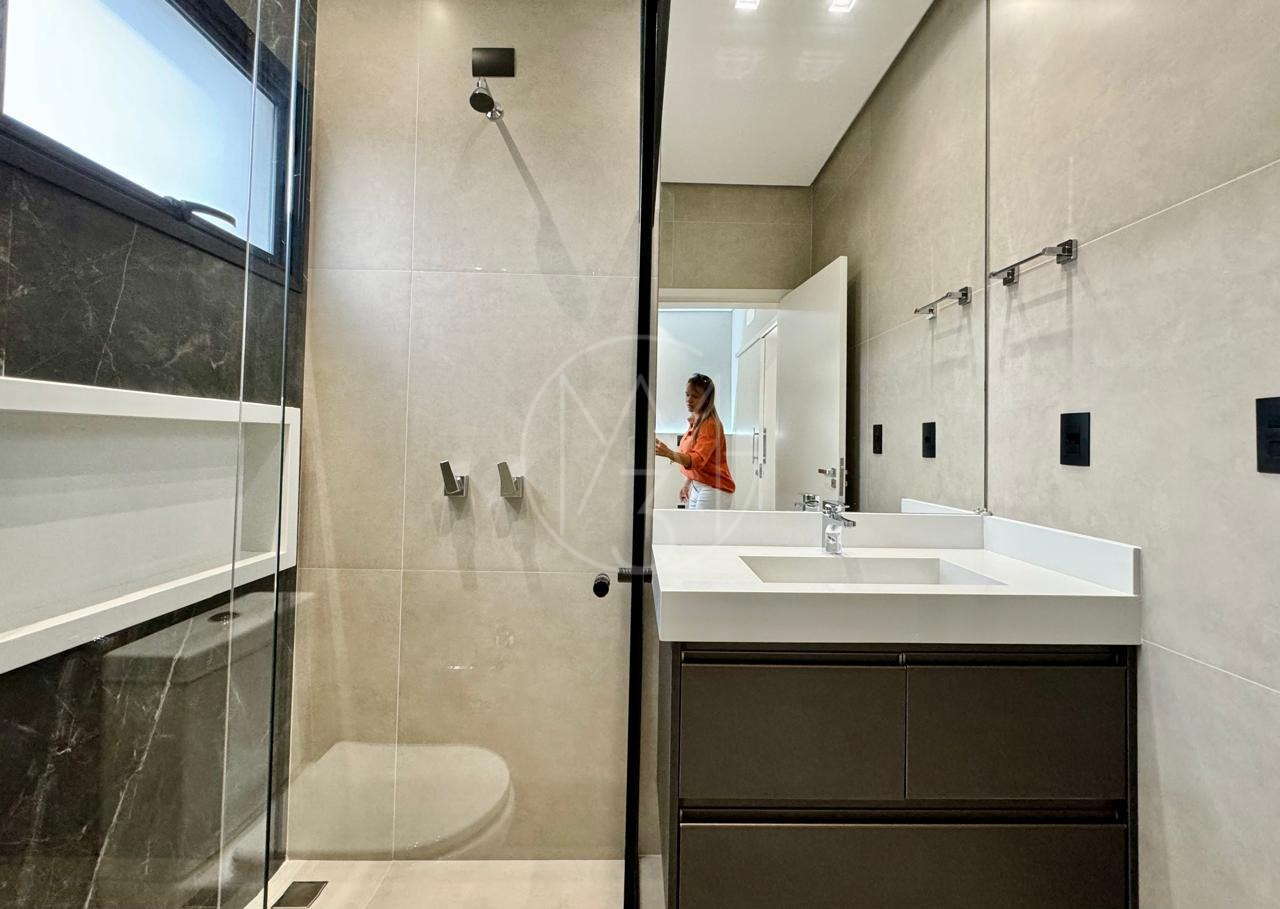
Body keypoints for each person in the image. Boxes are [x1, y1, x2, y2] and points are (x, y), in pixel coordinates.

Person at [655, 373, 736, 509]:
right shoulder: (696, 422)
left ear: (706, 399)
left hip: (714, 488)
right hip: (698, 485)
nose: (689, 400)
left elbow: (696, 460)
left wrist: (669, 453)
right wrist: (689, 481)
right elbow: (699, 460)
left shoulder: (709, 425)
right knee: (694, 522)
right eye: (687, 395)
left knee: (701, 523)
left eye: (695, 396)